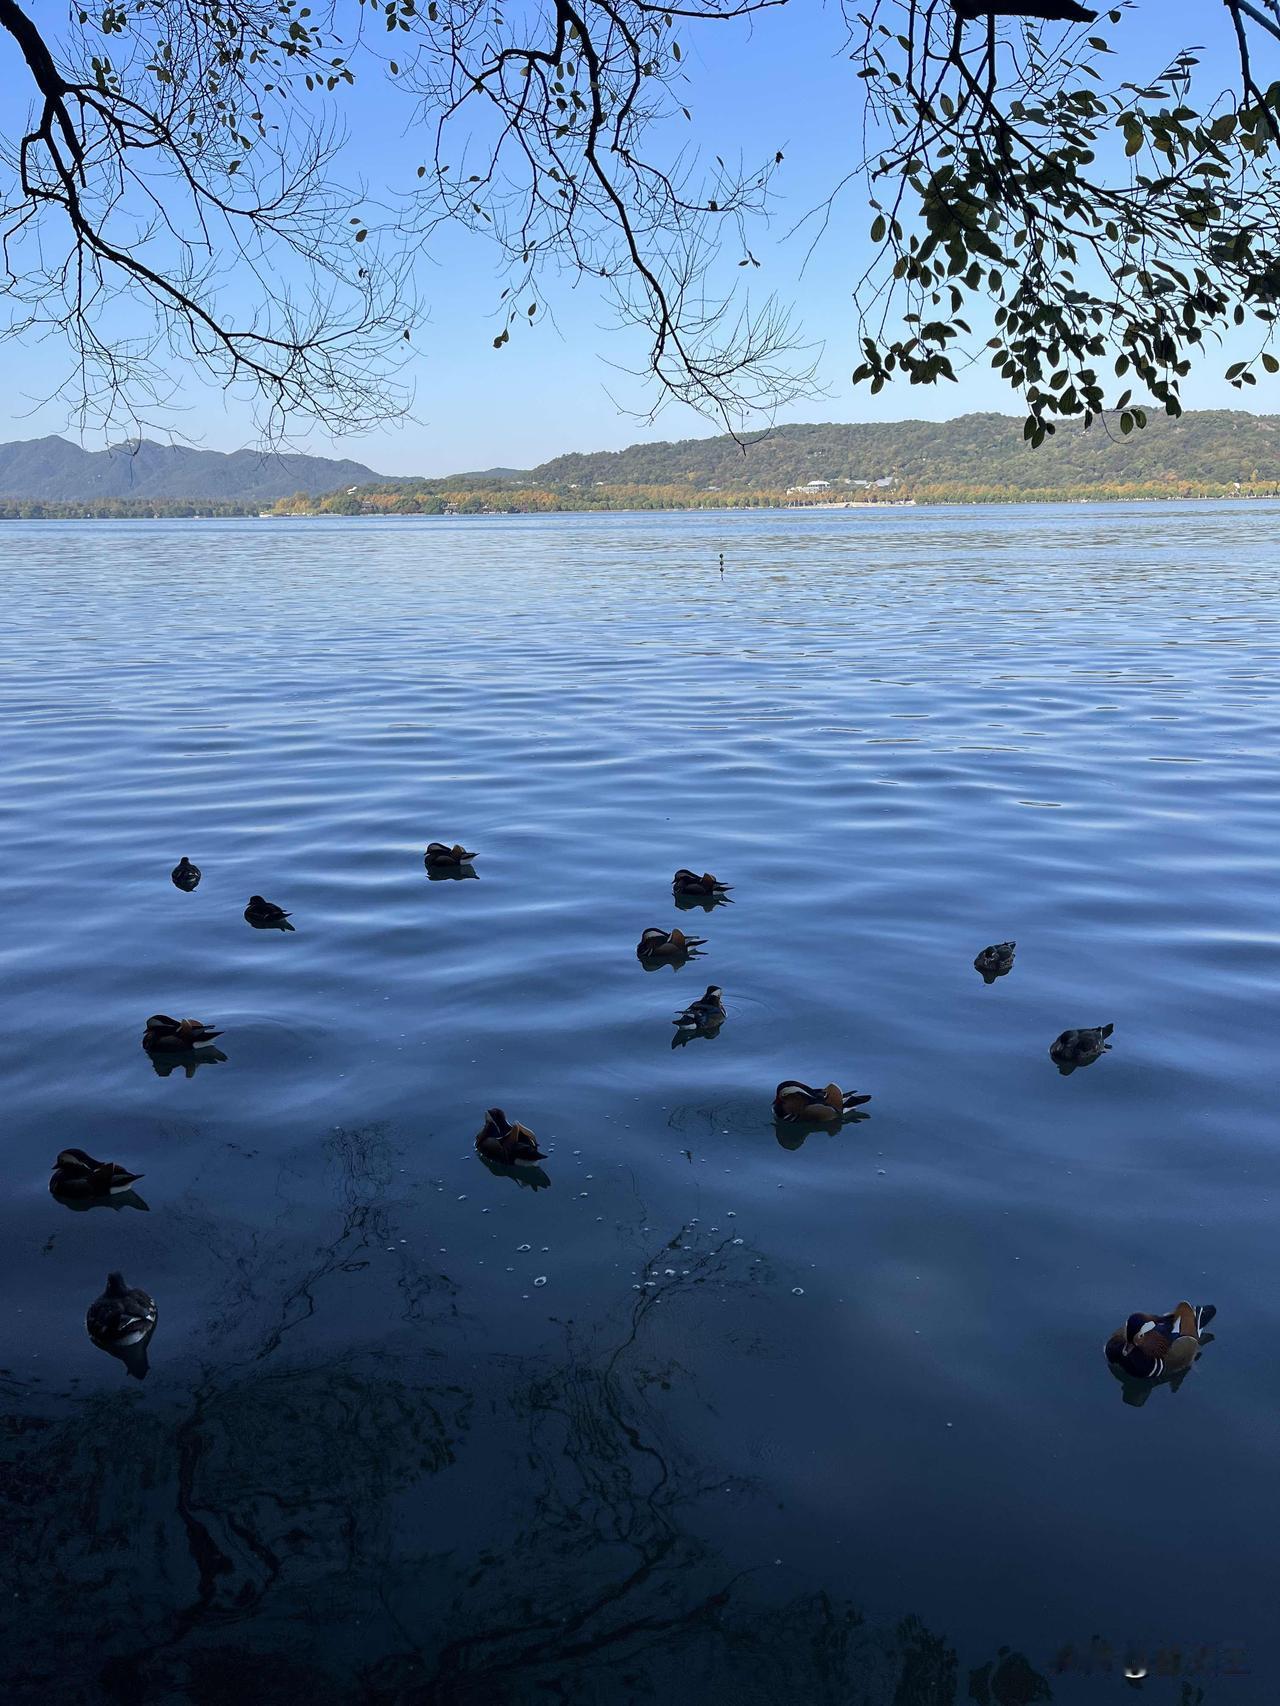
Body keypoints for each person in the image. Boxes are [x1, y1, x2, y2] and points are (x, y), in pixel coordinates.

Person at [1104, 1302, 1216, 1380]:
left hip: (1183, 1331)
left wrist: (1189, 1360)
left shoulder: (1162, 1355)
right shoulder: (1122, 1341)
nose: (1125, 1350)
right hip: (1161, 1325)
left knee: (1180, 1349)